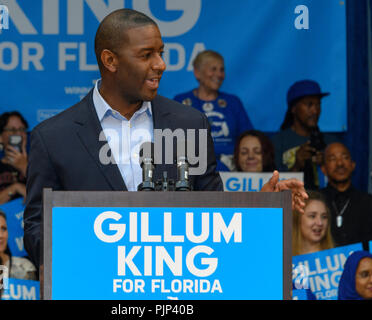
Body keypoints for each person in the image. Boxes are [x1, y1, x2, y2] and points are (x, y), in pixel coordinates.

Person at [23, 8, 308, 269]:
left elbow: (213, 213)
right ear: (110, 60)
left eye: (161, 53)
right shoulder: (52, 138)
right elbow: (36, 231)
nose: (160, 64)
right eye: (146, 55)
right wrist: (97, 253)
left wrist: (261, 207)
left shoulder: (189, 124)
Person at [173, 50, 253, 171]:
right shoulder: (181, 101)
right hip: (192, 167)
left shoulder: (232, 102)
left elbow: (248, 137)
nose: (219, 74)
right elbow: (171, 141)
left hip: (231, 167)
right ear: (197, 72)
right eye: (213, 69)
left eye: (222, 70)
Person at [271, 80, 341, 190]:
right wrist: (297, 165)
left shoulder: (331, 142)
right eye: (309, 104)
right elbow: (272, 186)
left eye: (318, 104)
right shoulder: (278, 142)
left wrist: (325, 164)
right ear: (293, 109)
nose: (315, 111)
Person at [320, 142, 372, 249]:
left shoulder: (370, 203)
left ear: (353, 165)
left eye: (345, 157)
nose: (340, 164)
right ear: (323, 169)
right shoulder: (317, 201)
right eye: (333, 159)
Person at [292, 190, 334, 256]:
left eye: (324, 217)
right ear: (297, 219)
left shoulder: (338, 257)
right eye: (312, 216)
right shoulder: (282, 258)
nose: (320, 223)